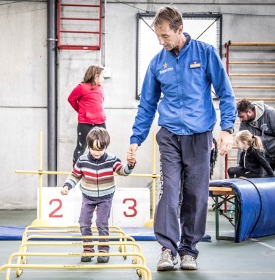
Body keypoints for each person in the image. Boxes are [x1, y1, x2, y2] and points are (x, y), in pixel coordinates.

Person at [126, 5, 237, 271]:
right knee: (169, 191)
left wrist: (227, 129)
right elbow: (147, 105)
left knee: (195, 195)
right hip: (170, 137)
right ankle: (167, 249)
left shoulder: (206, 53)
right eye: (158, 37)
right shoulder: (157, 63)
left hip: (199, 137)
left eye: (165, 36)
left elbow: (226, 92)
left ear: (180, 30)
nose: (161, 42)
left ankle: (189, 250)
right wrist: (135, 138)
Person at [61, 127, 136, 263]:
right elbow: (74, 175)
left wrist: (130, 166)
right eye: (93, 149)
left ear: (106, 147)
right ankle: (88, 248)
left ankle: (103, 249)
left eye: (100, 149)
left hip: (105, 197)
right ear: (88, 146)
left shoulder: (112, 160)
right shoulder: (82, 160)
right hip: (88, 196)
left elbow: (122, 171)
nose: (97, 152)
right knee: (84, 222)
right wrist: (67, 186)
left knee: (101, 222)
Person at [68, 65, 106, 166]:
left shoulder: (100, 88)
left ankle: (96, 168)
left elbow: (100, 103)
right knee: (81, 147)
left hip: (100, 122)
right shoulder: (81, 87)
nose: (103, 79)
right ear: (96, 76)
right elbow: (71, 99)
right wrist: (80, 111)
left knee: (101, 145)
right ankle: (76, 171)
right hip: (85, 123)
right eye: (102, 76)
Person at [237, 99, 275, 177]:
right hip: (262, 157)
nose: (241, 120)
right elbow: (242, 143)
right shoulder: (244, 123)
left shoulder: (270, 113)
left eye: (241, 116)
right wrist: (239, 164)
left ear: (249, 111)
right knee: (264, 184)